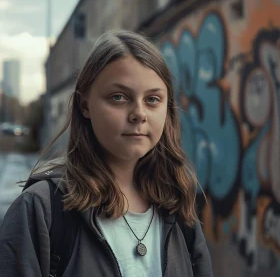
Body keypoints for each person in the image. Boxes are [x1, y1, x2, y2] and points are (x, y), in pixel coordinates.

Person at [0, 30, 213, 277]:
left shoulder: (178, 206)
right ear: (85, 104)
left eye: (153, 99)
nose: (139, 114)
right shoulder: (40, 210)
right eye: (119, 97)